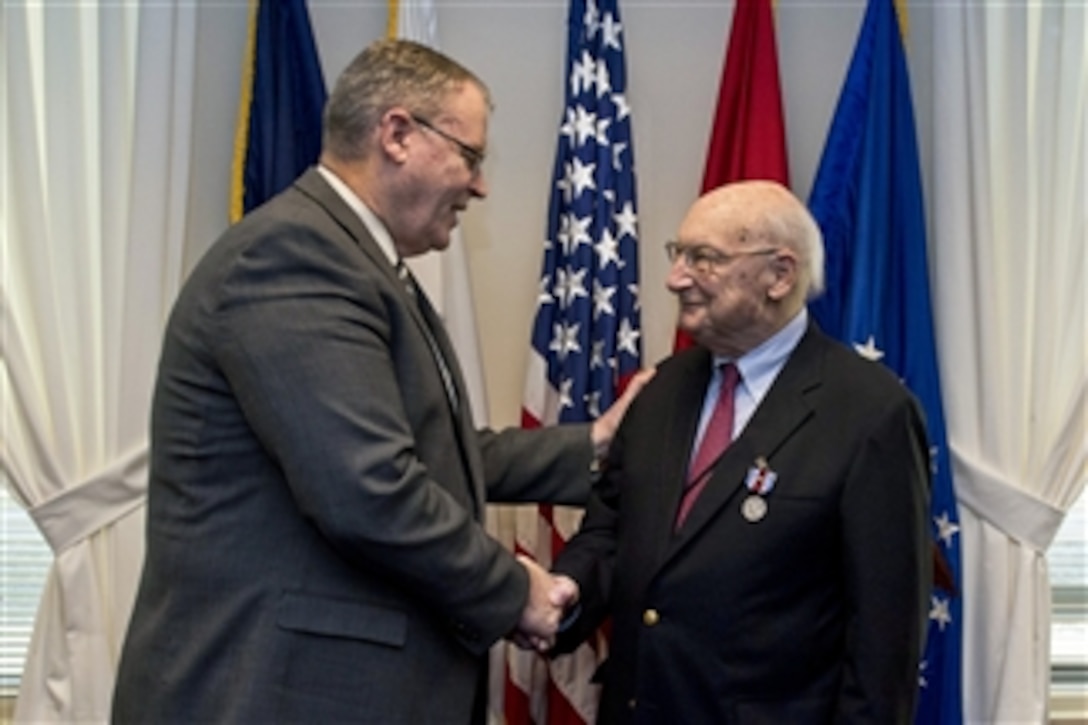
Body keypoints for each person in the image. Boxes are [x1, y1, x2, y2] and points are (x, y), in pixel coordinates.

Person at [112, 39, 647, 724]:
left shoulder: (357, 261)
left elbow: (432, 453)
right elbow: (368, 488)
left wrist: (594, 445)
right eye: (471, 156)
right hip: (272, 695)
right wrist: (516, 590)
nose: (479, 185)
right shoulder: (294, 257)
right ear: (396, 134)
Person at [551, 180, 931, 724]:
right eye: (678, 254)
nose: (675, 277)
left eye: (703, 259)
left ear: (780, 274)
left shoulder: (870, 414)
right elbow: (611, 530)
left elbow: (883, 641)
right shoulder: (661, 389)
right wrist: (563, 595)